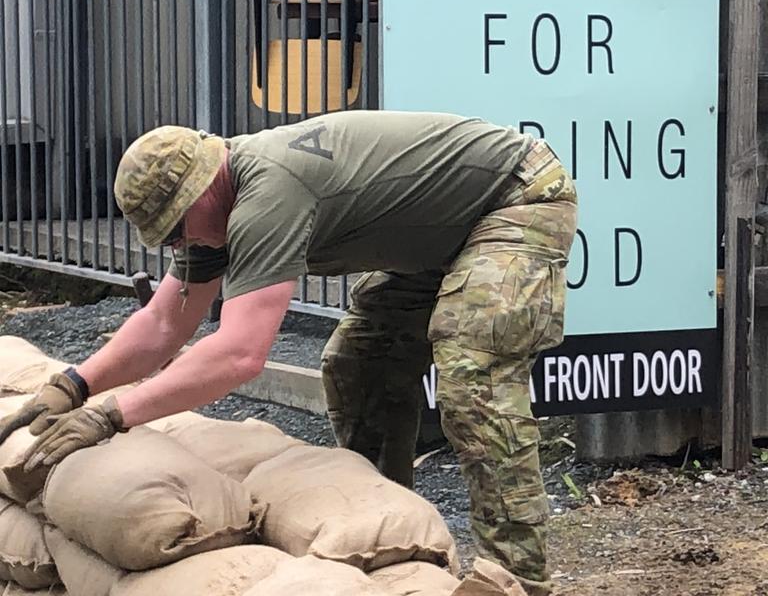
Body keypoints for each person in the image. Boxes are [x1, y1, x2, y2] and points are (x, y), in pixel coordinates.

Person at [0, 110, 576, 596]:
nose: (180, 246)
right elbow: (161, 325)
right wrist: (74, 385)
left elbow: (238, 355)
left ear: (202, 187)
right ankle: (389, 542)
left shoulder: (265, 193)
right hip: (438, 235)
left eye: (176, 231)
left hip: (515, 196)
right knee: (359, 366)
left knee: (472, 380)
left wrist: (110, 414)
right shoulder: (212, 214)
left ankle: (520, 579)